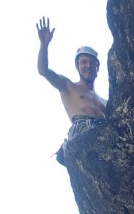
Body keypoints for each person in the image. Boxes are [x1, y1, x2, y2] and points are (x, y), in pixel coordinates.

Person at [36, 16, 107, 162]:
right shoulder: (68, 86)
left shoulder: (105, 102)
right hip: (82, 133)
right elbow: (43, 70)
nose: (88, 66)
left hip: (104, 137)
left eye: (92, 63)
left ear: (98, 67)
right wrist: (44, 45)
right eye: (83, 62)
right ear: (77, 66)